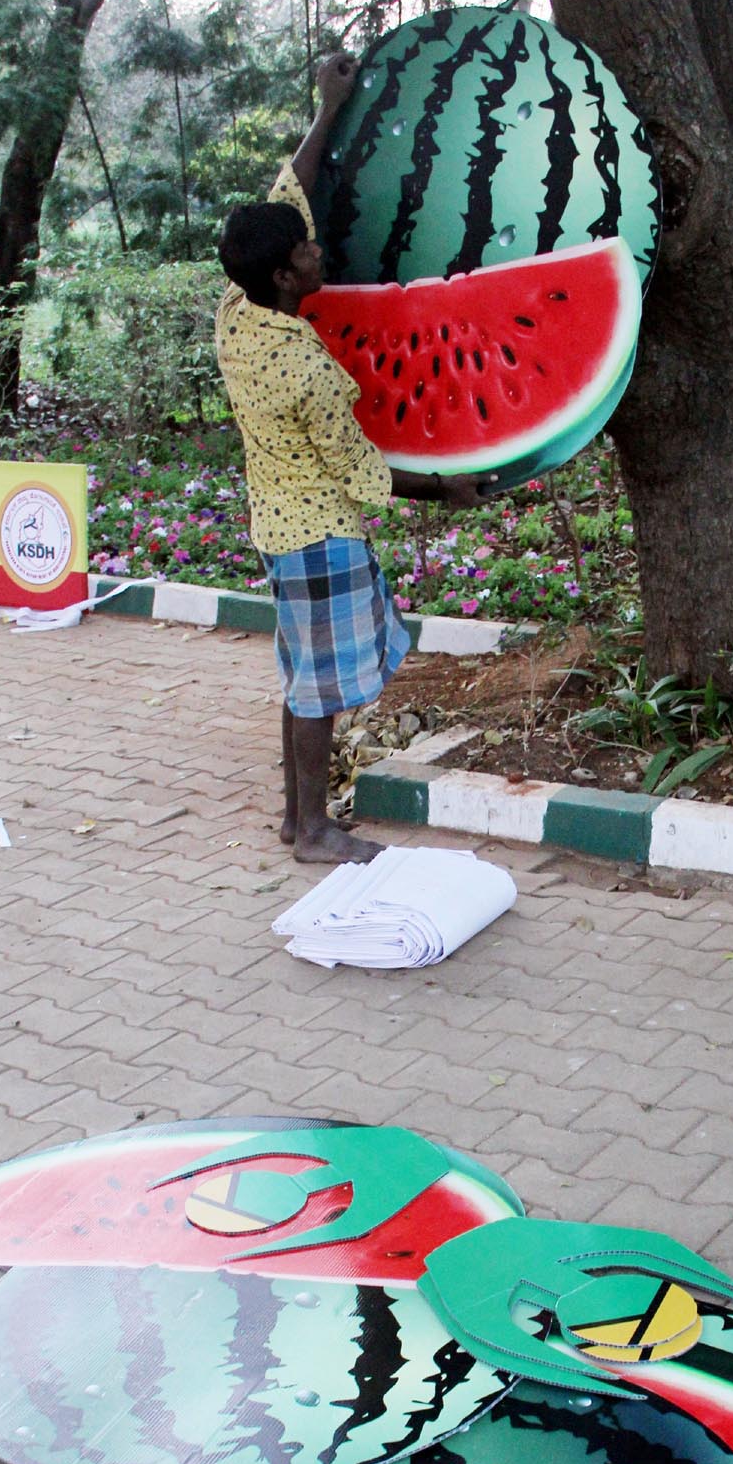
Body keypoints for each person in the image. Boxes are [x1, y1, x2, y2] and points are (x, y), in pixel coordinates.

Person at [216, 54, 483, 863]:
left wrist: (327, 108)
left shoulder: (235, 312)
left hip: (277, 528)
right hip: (320, 536)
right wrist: (446, 489)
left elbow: (285, 189)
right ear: (282, 275)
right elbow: (361, 472)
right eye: (305, 254)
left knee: (303, 681)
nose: (316, 251)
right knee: (316, 691)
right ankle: (316, 832)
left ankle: (298, 820)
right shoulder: (303, 369)